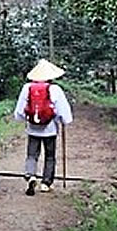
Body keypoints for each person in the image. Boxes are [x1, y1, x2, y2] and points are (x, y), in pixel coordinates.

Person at [14, 59, 73, 196]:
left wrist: (23, 119)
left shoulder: (27, 88)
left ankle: (31, 175)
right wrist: (64, 121)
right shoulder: (55, 89)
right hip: (50, 128)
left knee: (31, 155)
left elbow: (20, 109)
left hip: (32, 128)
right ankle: (46, 183)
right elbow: (62, 110)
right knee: (50, 156)